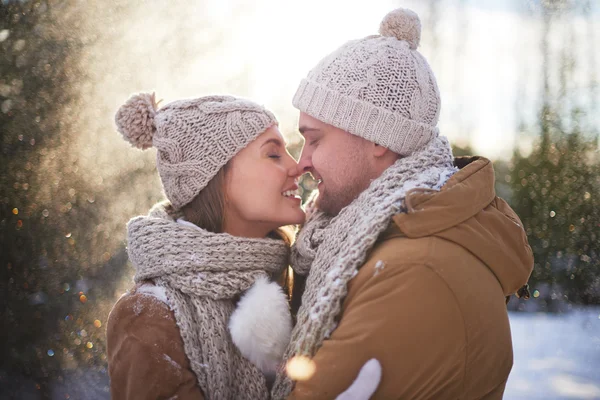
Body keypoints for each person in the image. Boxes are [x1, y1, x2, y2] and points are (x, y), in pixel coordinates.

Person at [271, 8, 534, 400]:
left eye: (316, 139)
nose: (303, 160)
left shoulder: (417, 269)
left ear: (377, 139)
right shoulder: (372, 241)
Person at [106, 93, 381, 400]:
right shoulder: (148, 316)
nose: (297, 167)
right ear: (217, 178)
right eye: (273, 155)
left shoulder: (298, 276)